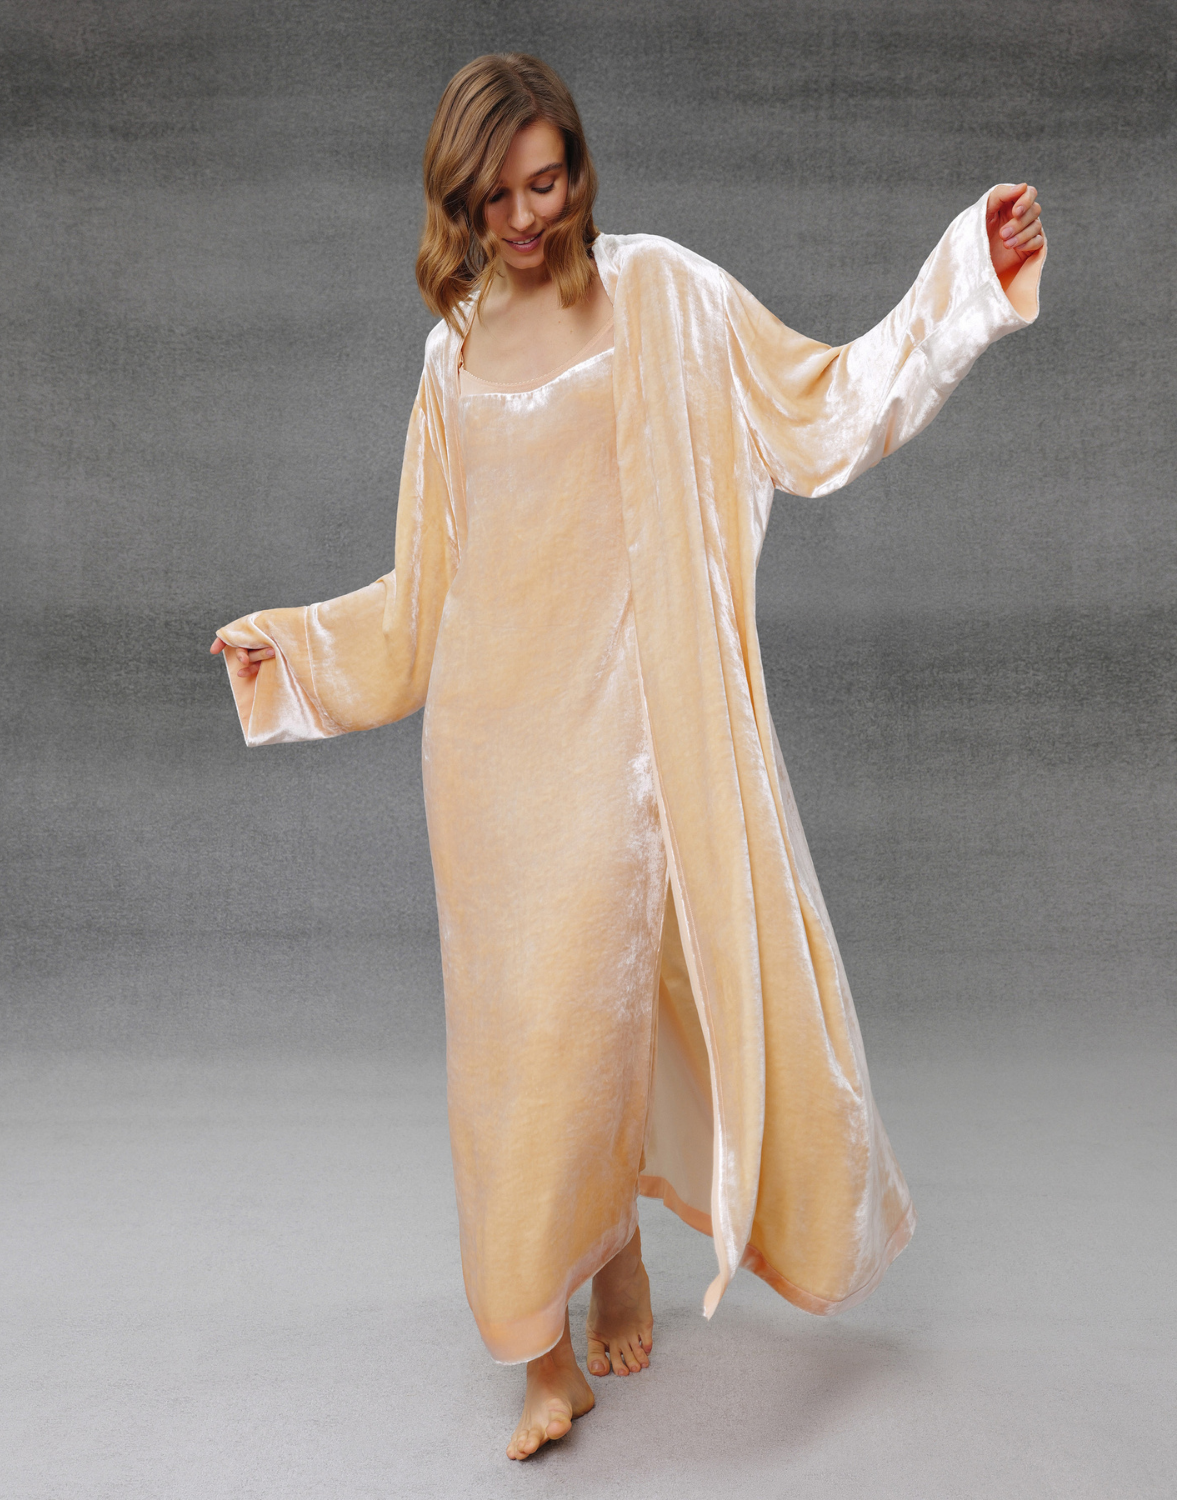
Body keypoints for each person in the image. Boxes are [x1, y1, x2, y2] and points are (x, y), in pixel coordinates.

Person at [211, 53, 1046, 1462]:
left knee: (589, 1027)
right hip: (489, 771)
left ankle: (606, 1263)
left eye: (547, 183)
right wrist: (290, 651)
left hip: (629, 750)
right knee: (512, 1062)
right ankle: (547, 1341)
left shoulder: (667, 298)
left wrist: (966, 276)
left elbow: (826, 408)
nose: (526, 219)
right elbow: (419, 604)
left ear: (579, 171)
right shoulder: (450, 358)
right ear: (458, 202)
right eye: (495, 198)